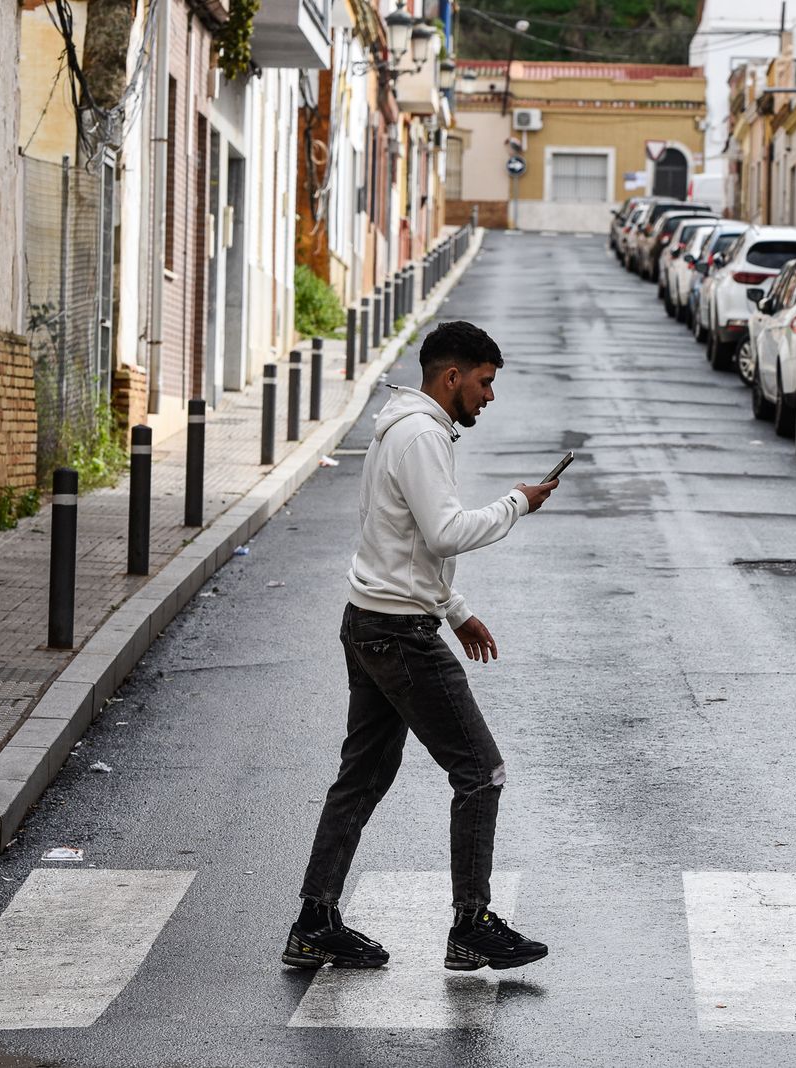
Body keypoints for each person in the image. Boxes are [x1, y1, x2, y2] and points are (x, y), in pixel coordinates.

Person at [286, 320, 558, 974]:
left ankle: (314, 922)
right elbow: (442, 533)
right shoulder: (422, 434)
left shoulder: (402, 427)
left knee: (363, 777)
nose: (490, 396)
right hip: (399, 633)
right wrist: (518, 503)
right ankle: (472, 924)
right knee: (480, 771)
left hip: (372, 618)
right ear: (452, 377)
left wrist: (457, 610)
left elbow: (397, 540)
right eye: (486, 383)